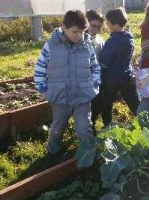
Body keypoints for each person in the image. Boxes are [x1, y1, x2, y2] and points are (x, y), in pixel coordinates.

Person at [34, 10, 100, 154]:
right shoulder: (51, 46)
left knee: (84, 127)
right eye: (75, 32)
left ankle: (87, 153)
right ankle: (53, 149)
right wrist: (43, 89)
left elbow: (95, 67)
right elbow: (40, 68)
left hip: (83, 94)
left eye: (82, 32)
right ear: (64, 27)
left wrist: (94, 84)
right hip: (60, 96)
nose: (79, 36)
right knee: (58, 127)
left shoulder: (87, 46)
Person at [92, 7, 140, 128]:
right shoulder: (129, 38)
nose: (106, 24)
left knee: (106, 104)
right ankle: (145, 122)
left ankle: (108, 127)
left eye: (107, 22)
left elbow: (104, 61)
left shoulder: (112, 41)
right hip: (126, 76)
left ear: (115, 24)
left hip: (111, 79)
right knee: (133, 102)